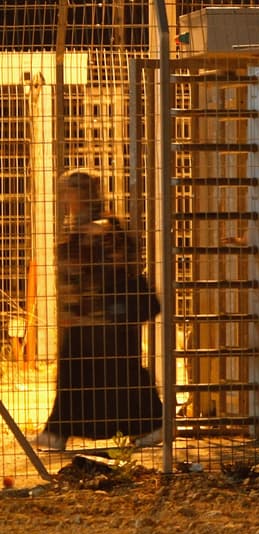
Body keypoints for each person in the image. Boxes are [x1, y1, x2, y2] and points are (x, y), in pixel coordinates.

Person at [36, 170, 164, 452]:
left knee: (117, 373)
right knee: (83, 372)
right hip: (90, 317)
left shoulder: (103, 229)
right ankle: (58, 430)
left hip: (105, 317)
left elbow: (111, 271)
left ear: (82, 194)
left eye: (70, 191)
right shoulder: (93, 227)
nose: (65, 198)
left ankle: (152, 424)